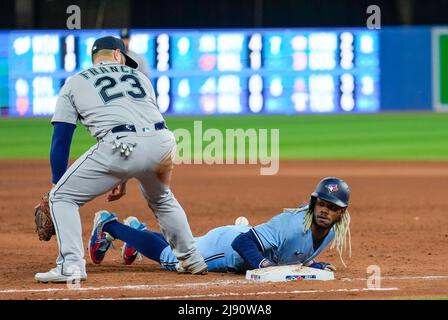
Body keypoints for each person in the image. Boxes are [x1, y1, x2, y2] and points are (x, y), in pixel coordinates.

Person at [34, 36, 207, 283]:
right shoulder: (141, 78)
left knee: (62, 197)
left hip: (121, 146)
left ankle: (71, 265)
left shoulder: (74, 83)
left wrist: (55, 186)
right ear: (118, 54)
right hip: (162, 141)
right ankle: (192, 259)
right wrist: (123, 176)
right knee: (162, 199)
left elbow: (61, 139)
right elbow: (141, 127)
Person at [88, 177, 352, 273]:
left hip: (246, 240)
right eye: (322, 204)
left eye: (332, 208)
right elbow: (242, 243)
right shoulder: (293, 224)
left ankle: (139, 233)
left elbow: (292, 252)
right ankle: (109, 225)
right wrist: (263, 266)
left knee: (177, 246)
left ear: (341, 214)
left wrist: (312, 265)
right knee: (171, 258)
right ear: (314, 203)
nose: (325, 211)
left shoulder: (329, 233)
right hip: (228, 247)